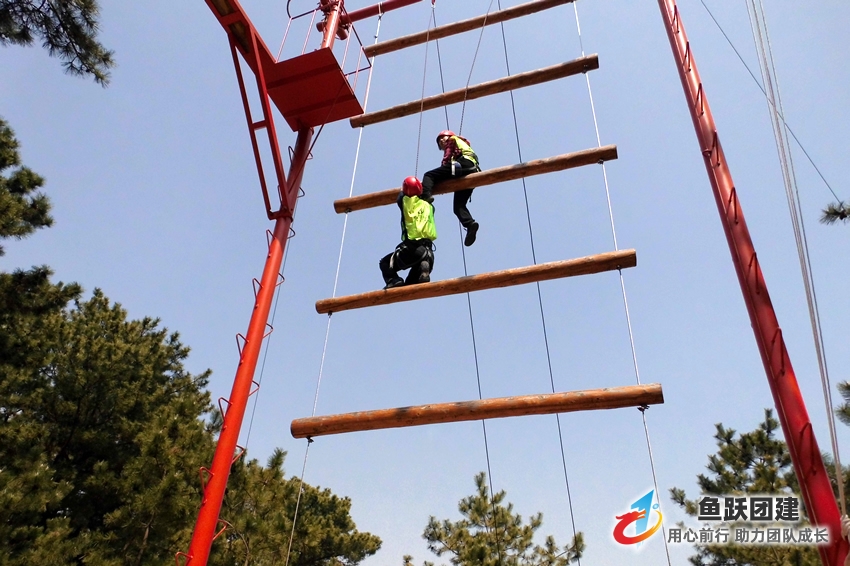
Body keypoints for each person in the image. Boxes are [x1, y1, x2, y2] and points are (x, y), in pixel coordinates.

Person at [421, 130, 481, 246]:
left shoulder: (453, 140)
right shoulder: (463, 144)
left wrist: (442, 173)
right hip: (470, 169)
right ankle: (470, 224)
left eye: (443, 138)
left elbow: (447, 159)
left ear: (449, 136)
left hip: (463, 164)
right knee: (458, 206)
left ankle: (425, 196)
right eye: (439, 142)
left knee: (429, 175)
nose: (442, 141)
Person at [379, 176, 437, 289]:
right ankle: (423, 269)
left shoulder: (405, 202)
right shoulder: (429, 207)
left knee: (385, 263)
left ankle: (393, 280)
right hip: (429, 254)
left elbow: (401, 195)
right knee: (410, 286)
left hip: (413, 249)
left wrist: (406, 188)